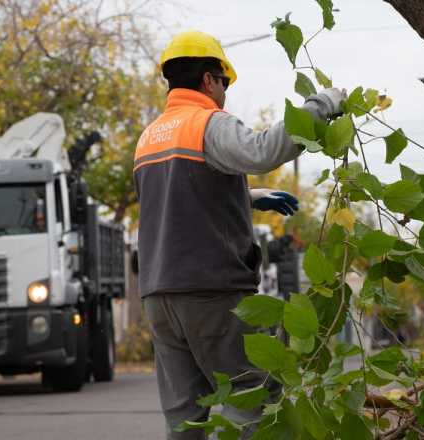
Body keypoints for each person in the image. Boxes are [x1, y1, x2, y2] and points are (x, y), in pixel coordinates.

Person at [133, 30, 345, 439]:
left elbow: (174, 201)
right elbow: (264, 150)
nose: (224, 94)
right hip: (210, 290)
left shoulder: (151, 137)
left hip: (159, 296)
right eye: (224, 84)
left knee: (185, 417)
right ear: (210, 80)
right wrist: (321, 106)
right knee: (249, 399)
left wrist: (246, 196)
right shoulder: (207, 123)